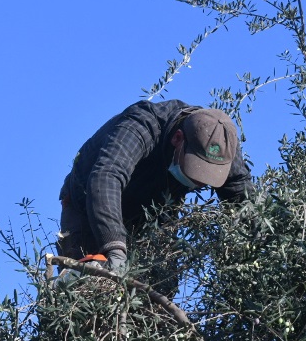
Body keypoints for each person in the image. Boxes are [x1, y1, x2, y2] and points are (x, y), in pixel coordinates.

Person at [57, 99, 254, 278]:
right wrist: (115, 248)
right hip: (89, 210)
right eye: (195, 170)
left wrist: (264, 242)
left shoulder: (223, 146)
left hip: (153, 216)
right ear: (178, 139)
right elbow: (106, 178)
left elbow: (246, 202)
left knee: (162, 284)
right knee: (87, 286)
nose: (201, 183)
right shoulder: (143, 126)